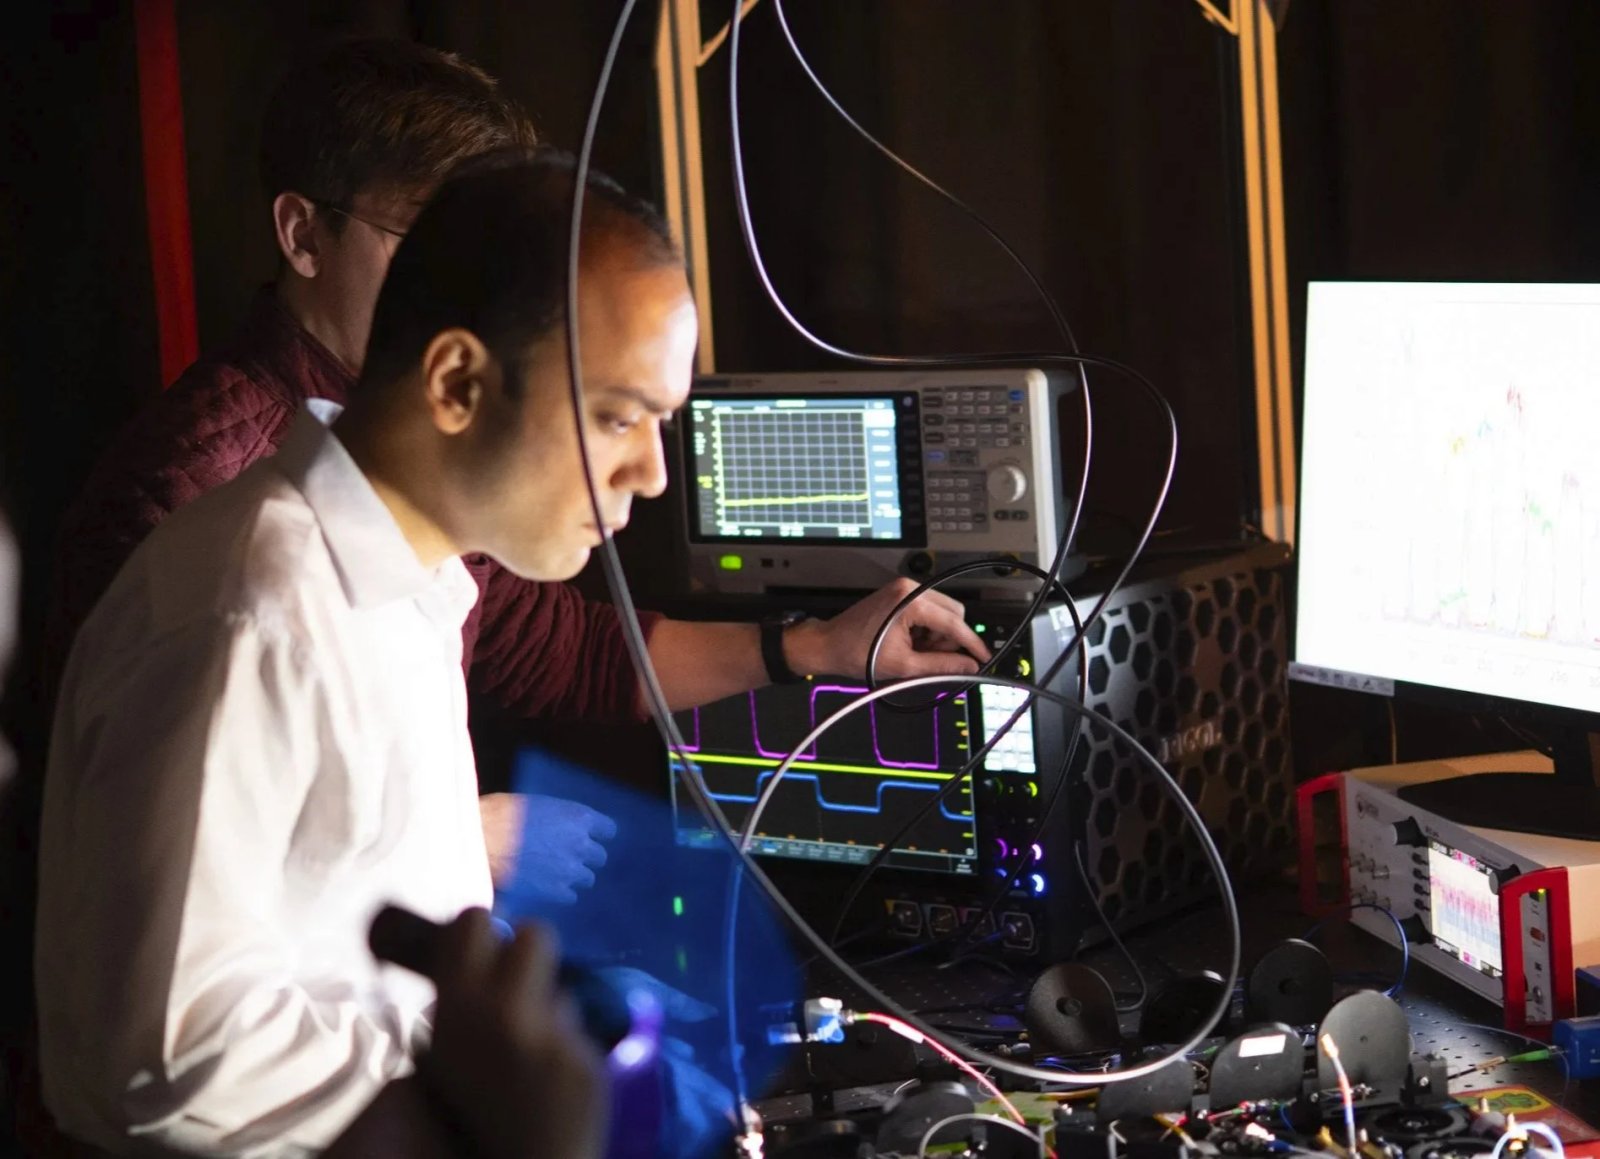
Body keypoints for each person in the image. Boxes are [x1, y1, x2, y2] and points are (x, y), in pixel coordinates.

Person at [46, 38, 988, 797]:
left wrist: (815, 648)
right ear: (302, 234)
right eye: (426, 246)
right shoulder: (213, 525)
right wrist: (462, 842)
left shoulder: (406, 492)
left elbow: (556, 646)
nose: (473, 287)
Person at [35, 150, 689, 1155]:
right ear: (459, 381)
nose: (648, 471)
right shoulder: (253, 613)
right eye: (617, 416)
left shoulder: (410, 591)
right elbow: (171, 1052)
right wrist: (477, 1075)